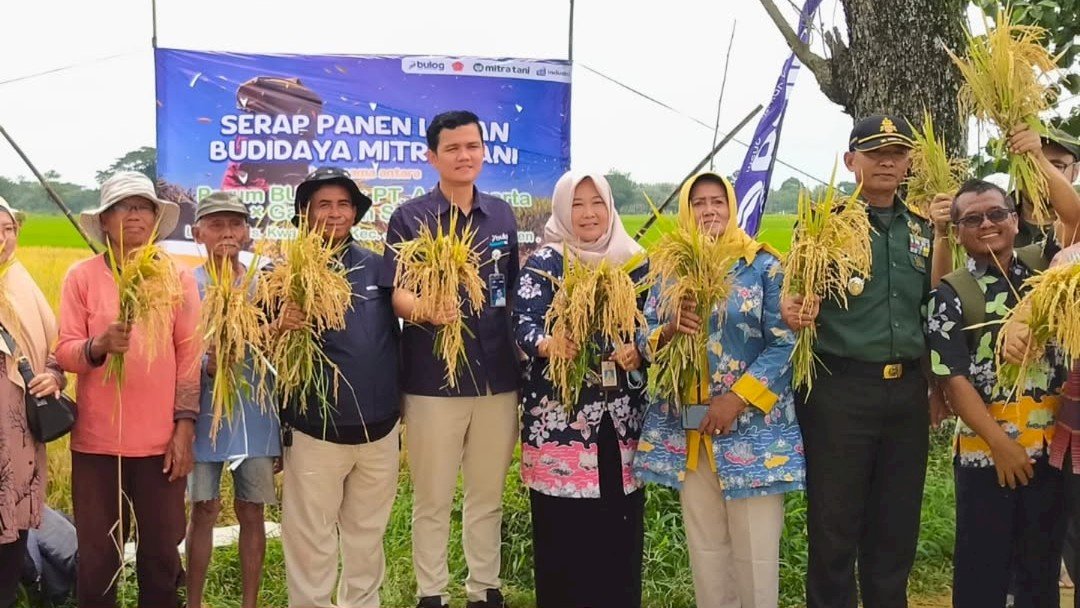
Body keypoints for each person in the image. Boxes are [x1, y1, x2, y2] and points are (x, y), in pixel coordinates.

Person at [782, 115, 941, 608]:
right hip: (840, 391)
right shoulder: (825, 227)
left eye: (896, 151)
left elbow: (933, 306)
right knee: (835, 527)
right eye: (874, 152)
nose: (887, 160)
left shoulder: (922, 229)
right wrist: (791, 306)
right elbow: (793, 296)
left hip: (905, 393)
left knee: (896, 526)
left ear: (909, 161)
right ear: (852, 161)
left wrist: (935, 386)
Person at [634, 172, 805, 608]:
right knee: (707, 552)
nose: (709, 210)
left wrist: (736, 398)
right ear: (686, 212)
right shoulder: (669, 270)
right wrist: (669, 329)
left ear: (732, 208)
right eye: (698, 203)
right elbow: (644, 338)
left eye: (717, 202)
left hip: (753, 433)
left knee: (755, 556)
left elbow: (786, 342)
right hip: (691, 433)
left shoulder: (763, 266)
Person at [382, 111, 520, 608]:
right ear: (432, 156)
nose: (465, 156)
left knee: (487, 495)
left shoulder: (502, 216)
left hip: (497, 379)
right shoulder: (410, 218)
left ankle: (485, 588)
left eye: (473, 146)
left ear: (484, 151)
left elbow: (512, 290)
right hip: (433, 381)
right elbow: (395, 293)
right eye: (453, 148)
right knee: (433, 497)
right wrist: (424, 309)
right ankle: (431, 592)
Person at [55, 171, 201, 608]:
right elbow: (64, 352)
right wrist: (97, 346)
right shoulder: (81, 278)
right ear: (104, 221)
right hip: (97, 446)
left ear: (156, 220)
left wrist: (184, 429)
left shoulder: (177, 278)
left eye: (143, 207)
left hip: (160, 445)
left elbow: (190, 358)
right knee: (99, 558)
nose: (134, 215)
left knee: (160, 552)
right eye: (123, 207)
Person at [927, 179, 1066, 607]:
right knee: (981, 572)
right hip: (985, 454)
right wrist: (999, 444)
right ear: (958, 231)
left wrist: (1036, 156)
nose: (987, 224)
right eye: (972, 219)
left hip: (1049, 450)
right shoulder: (949, 294)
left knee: (1039, 572)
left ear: (1014, 218)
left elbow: (1074, 218)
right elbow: (952, 379)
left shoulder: (1048, 267)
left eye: (996, 214)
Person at [513, 172, 649, 608]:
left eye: (597, 203)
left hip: (619, 424)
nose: (588, 213)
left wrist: (637, 350)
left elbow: (653, 326)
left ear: (610, 208)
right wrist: (548, 343)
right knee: (562, 536)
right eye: (577, 204)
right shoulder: (546, 262)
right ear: (561, 210)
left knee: (618, 530)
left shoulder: (634, 263)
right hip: (561, 426)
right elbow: (522, 322)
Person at [279, 168, 402, 608]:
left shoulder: (378, 266)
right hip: (316, 433)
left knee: (366, 537)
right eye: (323, 205)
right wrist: (280, 324)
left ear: (355, 213)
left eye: (343, 204)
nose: (335, 213)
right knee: (311, 540)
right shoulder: (286, 272)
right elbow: (261, 346)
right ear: (306, 214)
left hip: (380, 432)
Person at [184, 192, 281, 608]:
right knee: (203, 508)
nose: (227, 233)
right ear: (197, 233)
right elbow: (176, 350)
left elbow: (280, 350)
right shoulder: (186, 286)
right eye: (217, 225)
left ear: (246, 233)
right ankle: (193, 601)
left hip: (255, 413)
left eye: (235, 225)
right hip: (202, 414)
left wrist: (278, 328)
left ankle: (250, 604)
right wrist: (201, 363)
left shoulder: (265, 283)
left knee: (252, 509)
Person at [0, 197, 66, 608]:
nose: (2, 238)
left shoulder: (22, 284)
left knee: (13, 528)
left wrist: (54, 376)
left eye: (8, 229)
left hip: (17, 436)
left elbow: (56, 350)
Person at [928, 124, 1080, 279]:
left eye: (1055, 166)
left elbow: (1075, 219)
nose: (1040, 174)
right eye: (1029, 164)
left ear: (1075, 172)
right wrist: (942, 234)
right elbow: (946, 291)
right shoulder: (988, 219)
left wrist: (1038, 156)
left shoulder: (1069, 226)